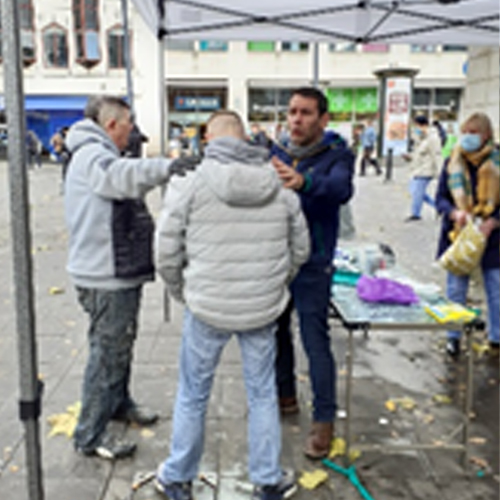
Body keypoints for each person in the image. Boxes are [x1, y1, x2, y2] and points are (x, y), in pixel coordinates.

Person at [154, 110, 310, 500]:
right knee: (261, 393)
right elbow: (301, 249)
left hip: (206, 307)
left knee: (193, 393)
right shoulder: (281, 185)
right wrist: (274, 286)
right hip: (262, 309)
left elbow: (166, 252)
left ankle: (177, 478)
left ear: (209, 138)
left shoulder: (189, 184)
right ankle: (267, 480)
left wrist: (182, 292)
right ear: (245, 139)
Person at [64, 95, 195, 460]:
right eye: (129, 125)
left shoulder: (96, 151)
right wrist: (167, 167)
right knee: (107, 353)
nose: (132, 132)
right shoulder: (93, 155)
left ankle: (119, 402)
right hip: (105, 275)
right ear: (111, 125)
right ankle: (90, 433)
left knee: (118, 346)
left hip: (112, 271)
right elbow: (120, 179)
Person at [271, 87, 355, 459]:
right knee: (276, 333)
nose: (296, 120)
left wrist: (304, 182)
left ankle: (324, 422)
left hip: (314, 263)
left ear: (323, 119)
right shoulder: (274, 152)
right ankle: (285, 395)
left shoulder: (338, 154)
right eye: (292, 112)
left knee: (315, 341)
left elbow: (341, 190)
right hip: (276, 260)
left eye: (305, 113)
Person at [435, 112, 499, 359]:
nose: (468, 138)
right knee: (455, 289)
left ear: (486, 135)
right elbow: (441, 197)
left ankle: (496, 338)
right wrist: (454, 213)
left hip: (492, 239)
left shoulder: (497, 161)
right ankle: (453, 337)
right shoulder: (453, 161)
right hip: (459, 236)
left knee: (496, 288)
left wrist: (493, 221)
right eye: (466, 132)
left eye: (474, 133)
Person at [402, 115, 442, 221]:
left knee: (417, 192)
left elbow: (437, 155)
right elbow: (418, 154)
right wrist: (409, 157)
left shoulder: (433, 138)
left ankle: (416, 214)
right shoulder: (421, 138)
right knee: (415, 191)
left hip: (426, 170)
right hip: (417, 169)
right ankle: (439, 207)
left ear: (422, 125)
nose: (415, 128)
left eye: (416, 126)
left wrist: (440, 172)